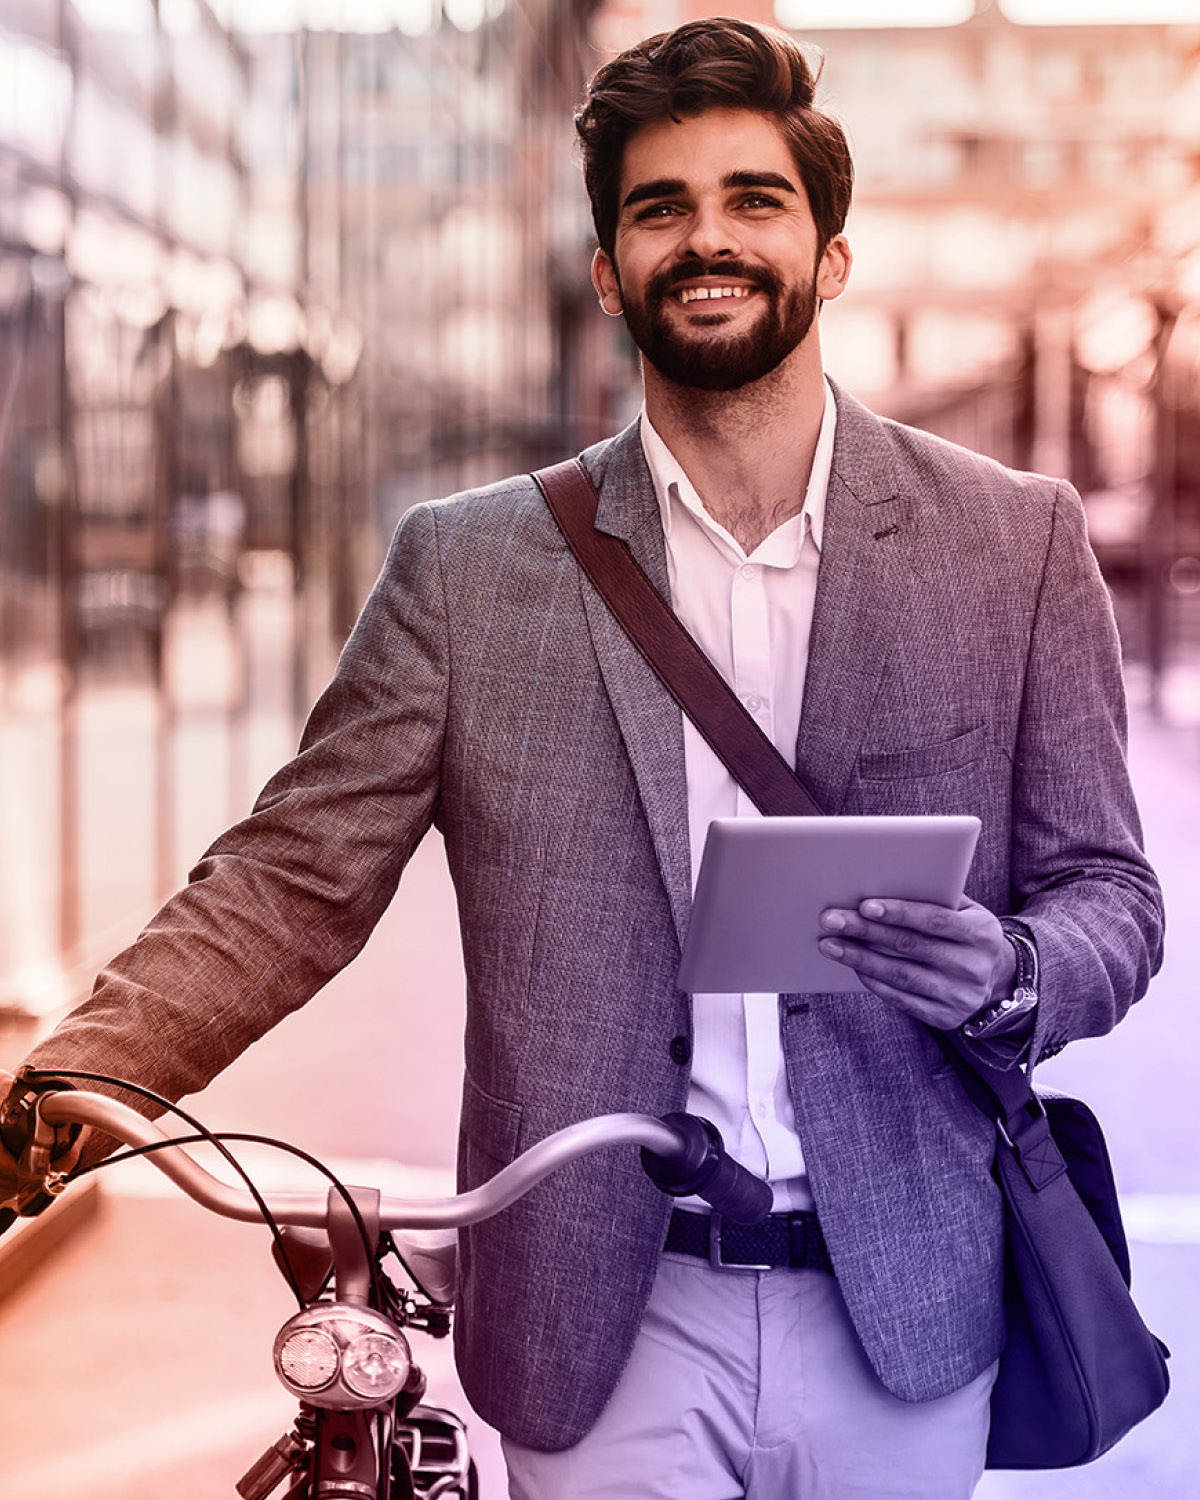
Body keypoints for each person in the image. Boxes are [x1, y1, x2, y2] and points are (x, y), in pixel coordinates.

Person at [0, 17, 1162, 1500]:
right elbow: (291, 881)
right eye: (659, 208)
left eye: (755, 199)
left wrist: (1008, 971)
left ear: (832, 252)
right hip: (605, 1313)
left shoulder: (1015, 542)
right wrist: (67, 1082)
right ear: (610, 271)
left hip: (910, 1303)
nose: (709, 238)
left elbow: (1111, 896)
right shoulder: (469, 568)